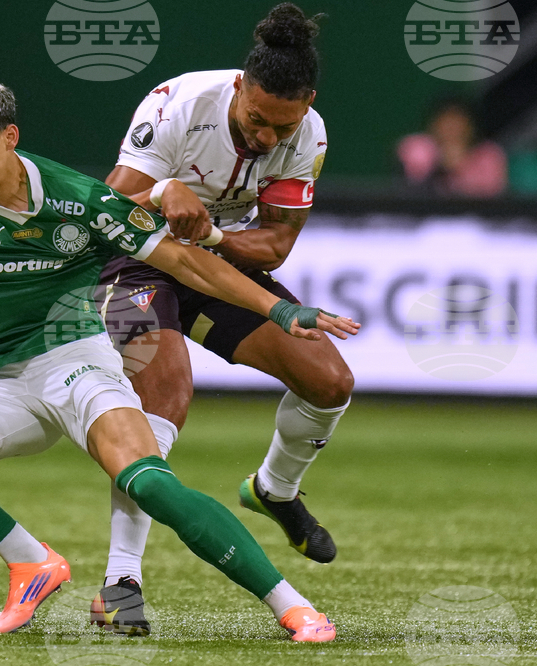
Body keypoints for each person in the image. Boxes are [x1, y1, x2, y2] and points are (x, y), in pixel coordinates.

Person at [0, 77, 358, 641]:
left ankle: (292, 606)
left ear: (9, 138)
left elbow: (187, 262)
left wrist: (279, 310)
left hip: (77, 363)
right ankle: (31, 562)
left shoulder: (76, 196)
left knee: (149, 483)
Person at [91, 4, 355, 634]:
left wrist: (209, 235)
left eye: (281, 127)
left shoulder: (309, 135)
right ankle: (120, 584)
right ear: (239, 87)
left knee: (330, 382)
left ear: (308, 104)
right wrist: (163, 194)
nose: (266, 137)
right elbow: (107, 208)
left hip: (214, 264)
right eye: (256, 119)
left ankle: (274, 490)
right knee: (166, 395)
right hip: (134, 260)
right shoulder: (178, 105)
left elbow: (275, 245)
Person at [396, 97, 507, 197]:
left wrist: (459, 164)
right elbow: (412, 182)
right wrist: (443, 161)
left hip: (473, 212)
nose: (451, 127)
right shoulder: (418, 146)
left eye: (458, 121)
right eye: (446, 120)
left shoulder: (489, 154)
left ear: (471, 126)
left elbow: (492, 194)